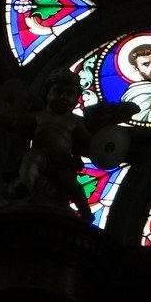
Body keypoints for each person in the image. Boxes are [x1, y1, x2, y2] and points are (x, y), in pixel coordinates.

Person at [9, 69, 93, 220]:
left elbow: (90, 142)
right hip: (41, 153)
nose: (63, 96)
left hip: (62, 161)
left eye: (69, 93)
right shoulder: (39, 116)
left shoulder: (75, 121)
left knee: (72, 185)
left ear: (76, 100)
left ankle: (85, 211)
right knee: (31, 159)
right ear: (46, 94)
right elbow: (17, 123)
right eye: (57, 91)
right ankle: (25, 185)